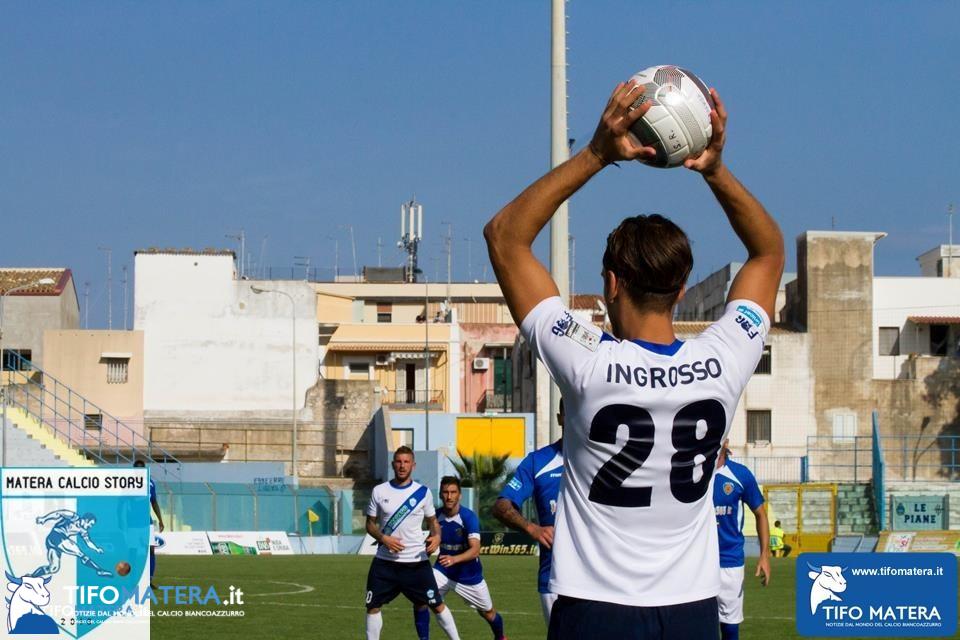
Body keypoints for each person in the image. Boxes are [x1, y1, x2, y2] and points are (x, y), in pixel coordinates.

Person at [483, 79, 784, 639]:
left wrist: (598, 153)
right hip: (692, 609)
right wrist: (714, 169)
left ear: (612, 282)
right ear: (682, 287)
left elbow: (505, 236)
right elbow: (768, 250)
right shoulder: (723, 359)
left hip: (595, 608)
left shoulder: (586, 361)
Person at [364, 446, 460, 640]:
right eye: (398, 461)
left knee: (436, 604)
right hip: (385, 563)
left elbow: (433, 522)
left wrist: (437, 537)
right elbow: (370, 524)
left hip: (416, 563)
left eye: (406, 462)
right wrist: (384, 538)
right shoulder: (379, 491)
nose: (402, 466)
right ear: (393, 464)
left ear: (413, 465)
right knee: (373, 606)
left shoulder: (423, 493)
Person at [492, 400, 565, 624]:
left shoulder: (603, 458)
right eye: (569, 413)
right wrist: (531, 528)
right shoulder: (539, 461)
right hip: (555, 579)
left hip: (603, 580)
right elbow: (502, 506)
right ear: (560, 418)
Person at [414, 476, 506, 640]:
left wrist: (454, 559)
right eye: (445, 492)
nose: (449, 496)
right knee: (421, 599)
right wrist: (422, 554)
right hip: (443, 571)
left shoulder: (468, 517)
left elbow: (475, 550)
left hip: (469, 576)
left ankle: (500, 637)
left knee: (488, 613)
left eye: (453, 492)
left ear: (460, 495)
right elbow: (432, 540)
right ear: (441, 495)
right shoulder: (435, 516)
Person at [713, 441, 770, 640]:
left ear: (726, 441)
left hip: (730, 562)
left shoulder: (740, 475)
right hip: (697, 562)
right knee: (696, 625)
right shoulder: (693, 474)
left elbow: (761, 514)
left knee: (729, 625)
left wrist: (764, 556)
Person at [30, 510, 112, 577]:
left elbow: (88, 542)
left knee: (53, 568)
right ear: (86, 520)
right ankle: (99, 570)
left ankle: (31, 577)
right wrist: (44, 518)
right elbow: (58, 513)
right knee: (80, 553)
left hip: (55, 545)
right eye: (90, 524)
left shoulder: (83, 531)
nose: (90, 527)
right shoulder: (74, 517)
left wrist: (96, 549)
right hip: (56, 536)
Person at [134, 459, 165, 589]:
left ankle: (149, 580)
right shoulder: (128, 484)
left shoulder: (150, 483)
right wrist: (121, 520)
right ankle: (134, 579)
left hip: (147, 522)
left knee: (150, 551)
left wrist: (160, 519)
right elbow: (121, 504)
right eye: (137, 469)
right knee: (133, 552)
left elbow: (154, 502)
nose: (139, 471)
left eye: (142, 468)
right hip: (132, 523)